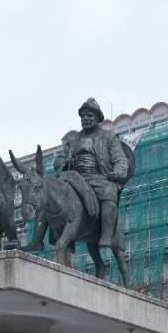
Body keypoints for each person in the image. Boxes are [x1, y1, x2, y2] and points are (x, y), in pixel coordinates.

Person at [54, 98, 129, 248]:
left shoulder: (108, 137)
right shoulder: (73, 140)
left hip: (98, 177)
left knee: (109, 192)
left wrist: (117, 173)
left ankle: (107, 235)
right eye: (83, 116)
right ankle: (39, 239)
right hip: (73, 178)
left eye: (90, 115)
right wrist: (63, 164)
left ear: (97, 118)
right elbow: (59, 160)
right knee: (49, 193)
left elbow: (121, 160)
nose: (86, 118)